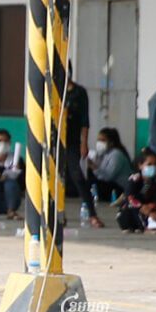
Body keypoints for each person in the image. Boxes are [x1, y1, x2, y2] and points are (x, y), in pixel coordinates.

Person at [63, 63, 103, 227]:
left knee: (78, 176)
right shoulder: (52, 91)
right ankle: (58, 213)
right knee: (56, 179)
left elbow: (84, 121)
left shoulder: (79, 93)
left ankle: (92, 214)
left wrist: (84, 143)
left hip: (72, 141)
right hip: (55, 141)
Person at [117, 148, 156, 233]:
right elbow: (130, 197)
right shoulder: (134, 179)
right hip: (134, 212)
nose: (153, 167)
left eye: (155, 164)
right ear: (140, 165)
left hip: (151, 209)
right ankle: (145, 226)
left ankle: (153, 224)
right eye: (149, 164)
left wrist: (152, 206)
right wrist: (142, 207)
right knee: (130, 206)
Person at [88, 127, 134, 203]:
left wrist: (92, 166)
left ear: (111, 142)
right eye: (98, 140)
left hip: (120, 188)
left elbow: (108, 177)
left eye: (103, 140)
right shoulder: (104, 154)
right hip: (111, 184)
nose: (99, 143)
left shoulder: (116, 154)